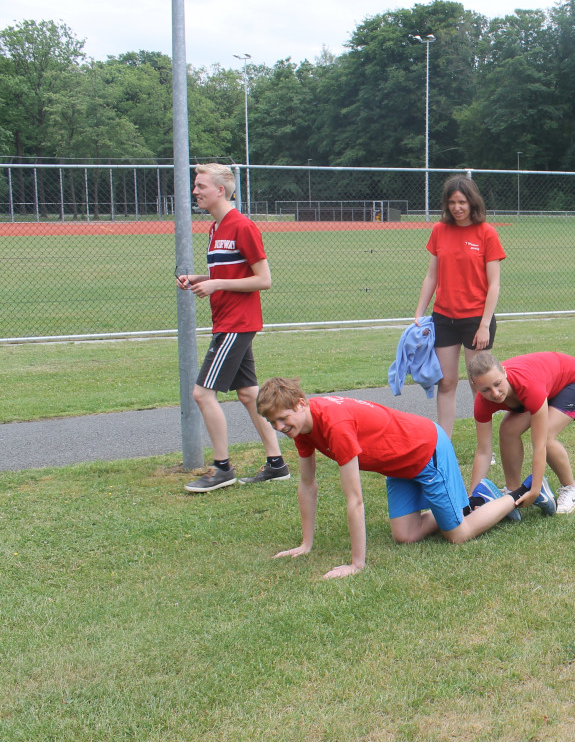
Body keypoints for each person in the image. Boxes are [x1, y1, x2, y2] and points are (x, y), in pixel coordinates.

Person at [255, 377, 532, 579]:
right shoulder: (303, 427)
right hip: (399, 467)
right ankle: (469, 502)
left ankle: (519, 492)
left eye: (283, 418)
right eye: (273, 423)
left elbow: (355, 500)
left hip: (425, 450)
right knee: (405, 535)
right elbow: (307, 485)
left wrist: (356, 564)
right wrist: (305, 545)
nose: (280, 427)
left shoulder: (334, 425)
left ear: (301, 404)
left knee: (458, 534)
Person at [176, 162, 287, 492]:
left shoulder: (243, 226)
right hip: (226, 321)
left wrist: (216, 284)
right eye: (195, 186)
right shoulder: (215, 228)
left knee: (201, 393)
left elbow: (263, 280)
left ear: (220, 191)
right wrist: (202, 279)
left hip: (237, 324)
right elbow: (232, 275)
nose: (195, 191)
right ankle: (277, 464)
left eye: (201, 186)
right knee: (248, 394)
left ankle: (222, 469)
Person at [414, 175, 505, 437]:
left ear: (472, 202)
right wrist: (419, 312)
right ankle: (444, 445)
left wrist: (485, 325)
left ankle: (484, 446)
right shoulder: (439, 231)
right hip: (444, 318)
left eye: (462, 202)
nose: (457, 207)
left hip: (477, 320)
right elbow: (432, 275)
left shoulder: (486, 232)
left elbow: (494, 284)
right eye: (452, 202)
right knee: (447, 382)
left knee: (480, 383)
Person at [467, 351, 575, 515]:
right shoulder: (482, 403)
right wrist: (471, 498)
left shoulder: (528, 385)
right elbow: (483, 451)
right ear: (475, 386)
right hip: (545, 385)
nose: (495, 393)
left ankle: (572, 489)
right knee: (508, 430)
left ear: (504, 372)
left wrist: (534, 490)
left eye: (498, 384)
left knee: (546, 437)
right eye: (486, 389)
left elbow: (539, 445)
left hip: (574, 382)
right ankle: (512, 490)